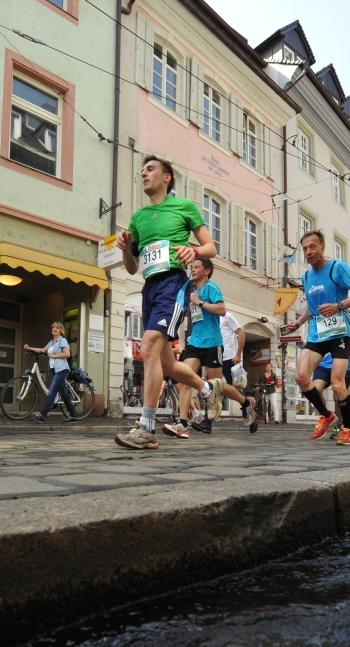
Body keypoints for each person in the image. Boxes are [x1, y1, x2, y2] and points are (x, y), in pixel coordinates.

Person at [114, 156, 220, 449]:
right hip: (149, 286)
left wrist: (194, 251)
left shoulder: (183, 207)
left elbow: (210, 247)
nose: (144, 174)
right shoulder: (137, 218)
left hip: (173, 284)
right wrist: (125, 249)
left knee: (147, 345)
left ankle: (146, 427)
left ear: (167, 177)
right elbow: (132, 267)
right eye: (142, 171)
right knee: (167, 364)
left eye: (150, 170)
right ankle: (207, 388)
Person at [284, 231, 350, 445]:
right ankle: (327, 415)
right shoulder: (306, 276)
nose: (308, 252)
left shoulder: (337, 268)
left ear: (323, 246)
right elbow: (310, 307)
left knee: (338, 384)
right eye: (304, 249)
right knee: (301, 377)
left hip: (339, 333)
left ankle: (348, 428)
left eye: (313, 247)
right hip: (317, 333)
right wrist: (299, 322)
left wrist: (339, 306)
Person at [160, 258, 255, 438]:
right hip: (195, 342)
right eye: (192, 267)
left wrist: (200, 303)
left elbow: (222, 309)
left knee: (216, 386)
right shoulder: (191, 289)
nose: (193, 270)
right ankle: (182, 424)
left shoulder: (211, 288)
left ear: (207, 271)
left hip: (212, 343)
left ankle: (245, 403)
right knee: (186, 378)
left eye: (197, 267)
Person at [24, 321, 78, 423]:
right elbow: (42, 350)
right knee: (64, 394)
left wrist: (54, 356)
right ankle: (73, 416)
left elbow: (67, 354)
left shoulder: (63, 341)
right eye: (53, 327)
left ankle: (42, 415)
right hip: (54, 369)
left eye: (57, 328)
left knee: (52, 392)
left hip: (62, 369)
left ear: (61, 331)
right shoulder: (51, 342)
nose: (54, 329)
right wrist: (29, 348)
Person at [219, 311, 245, 387]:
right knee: (217, 388)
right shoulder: (211, 319)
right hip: (216, 358)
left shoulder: (227, 316)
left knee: (232, 387)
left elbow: (241, 334)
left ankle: (244, 399)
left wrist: (238, 355)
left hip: (229, 358)